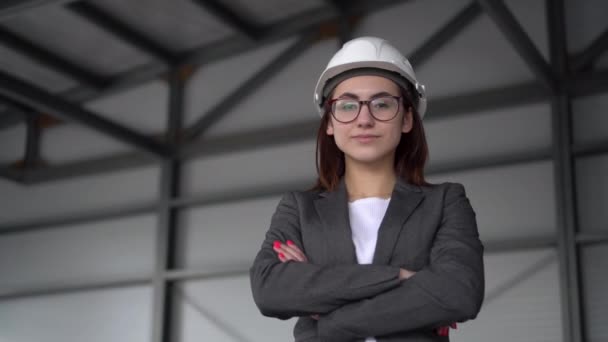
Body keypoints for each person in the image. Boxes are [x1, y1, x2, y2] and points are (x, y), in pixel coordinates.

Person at [250, 36, 484, 341]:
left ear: (407, 118)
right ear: (330, 123)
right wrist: (399, 277)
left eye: (382, 104)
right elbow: (270, 289)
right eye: (347, 105)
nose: (364, 119)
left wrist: (329, 318)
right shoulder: (299, 209)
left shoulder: (445, 202)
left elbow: (459, 292)